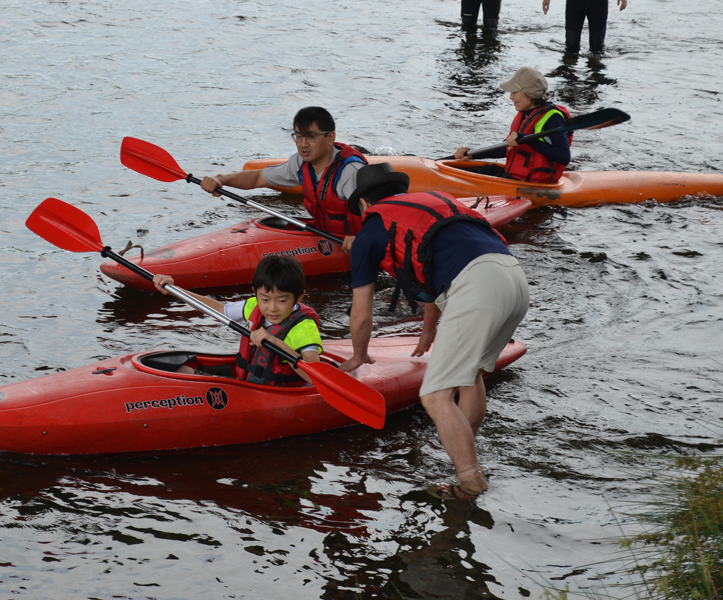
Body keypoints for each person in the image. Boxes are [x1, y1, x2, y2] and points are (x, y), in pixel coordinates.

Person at [340, 163, 529, 499]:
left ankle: (470, 481)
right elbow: (433, 274)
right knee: (469, 377)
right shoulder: (431, 203)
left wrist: (358, 355)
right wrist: (428, 332)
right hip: (513, 277)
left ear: (364, 205)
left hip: (476, 288)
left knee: (434, 395)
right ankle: (462, 459)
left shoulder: (370, 231)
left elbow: (362, 314)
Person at [199, 106, 367, 250]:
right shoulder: (300, 163)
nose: (303, 144)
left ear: (330, 138)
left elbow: (381, 218)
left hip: (354, 244)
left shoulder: (350, 173)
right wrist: (221, 179)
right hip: (326, 236)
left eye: (310, 136)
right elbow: (258, 177)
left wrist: (362, 240)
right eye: (298, 136)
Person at [152, 255, 323, 387]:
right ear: (255, 293)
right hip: (248, 382)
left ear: (299, 297)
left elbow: (315, 377)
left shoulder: (303, 328)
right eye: (265, 299)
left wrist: (276, 342)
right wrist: (176, 291)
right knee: (181, 369)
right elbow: (218, 309)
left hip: (281, 392)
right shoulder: (254, 305)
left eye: (282, 300)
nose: (272, 308)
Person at [454, 66, 572, 184]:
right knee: (458, 171)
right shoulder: (525, 113)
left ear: (530, 94)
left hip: (535, 183)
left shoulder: (553, 118)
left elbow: (564, 157)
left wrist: (528, 140)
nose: (511, 97)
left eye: (515, 92)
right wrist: (473, 154)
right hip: (513, 176)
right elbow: (507, 148)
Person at [542, 0, 628, 56]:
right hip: (575, 4)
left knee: (597, 49)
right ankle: (569, 78)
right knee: (571, 48)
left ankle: (596, 77)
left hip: (598, 4)